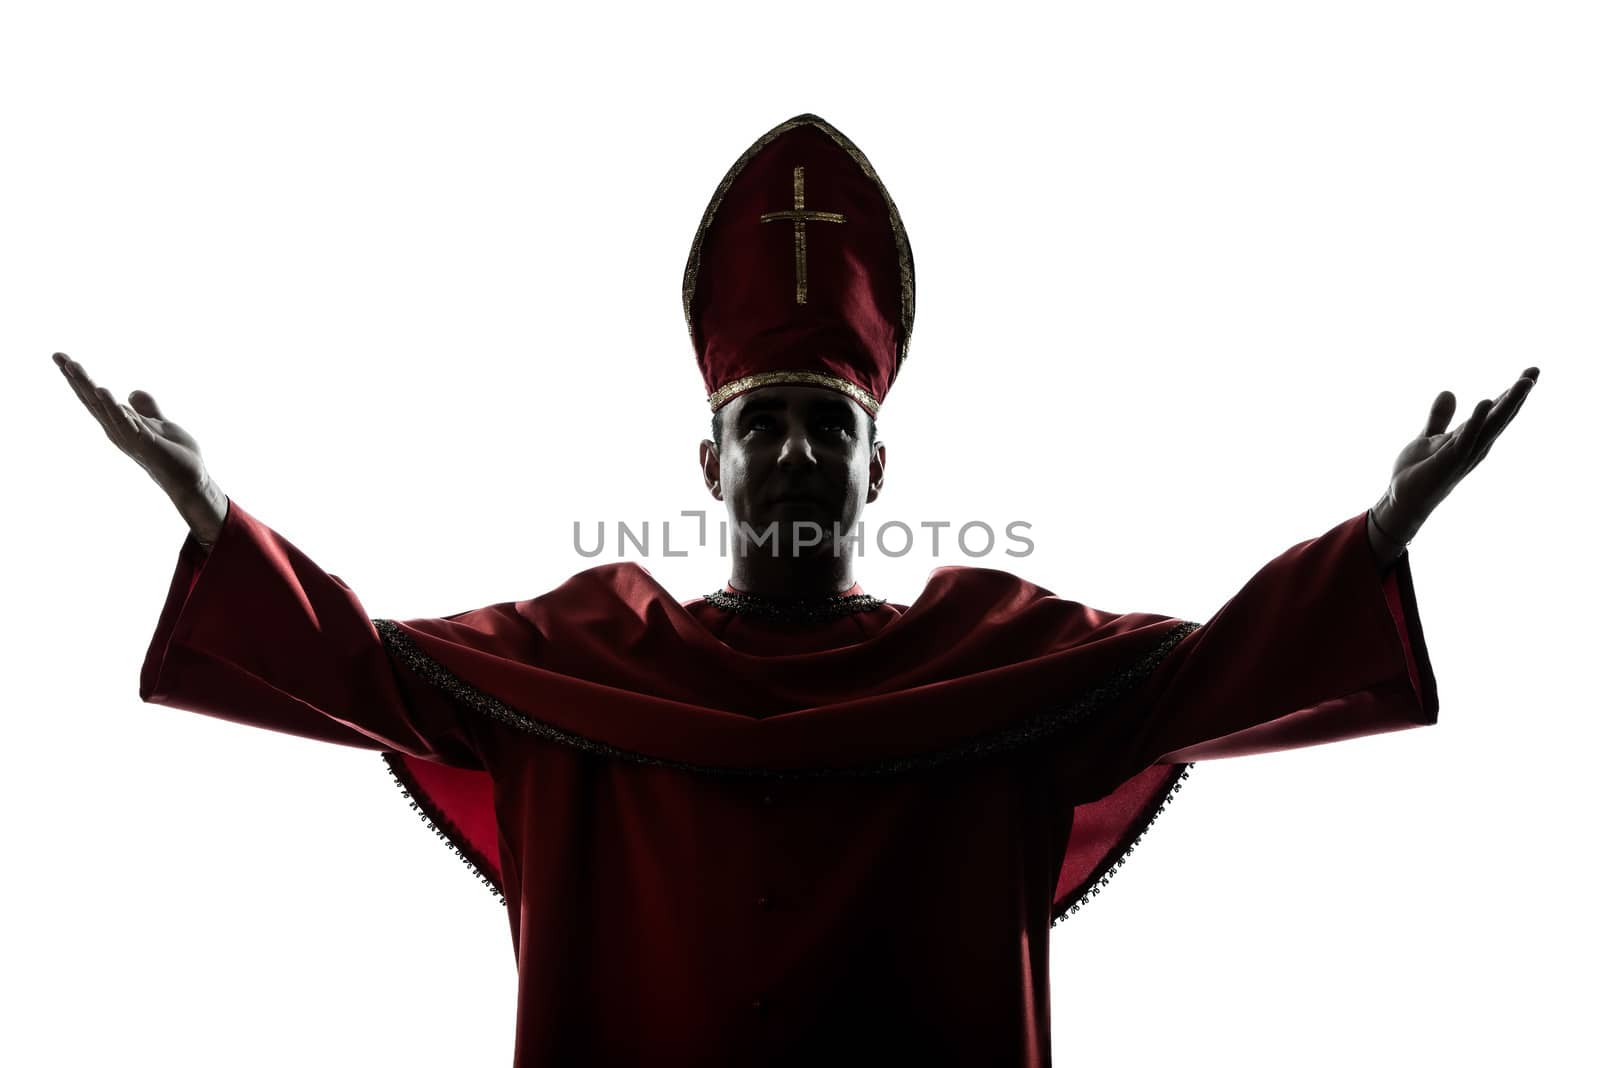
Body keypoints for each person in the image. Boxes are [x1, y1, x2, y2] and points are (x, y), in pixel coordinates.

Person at [53, 113, 1539, 1067]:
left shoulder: (990, 663)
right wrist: (212, 511)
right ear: (707, 461)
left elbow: (1213, 670)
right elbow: (365, 667)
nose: (797, 455)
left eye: (832, 428)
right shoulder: (590, 659)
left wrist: (1381, 531)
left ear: (878, 473)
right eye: (763, 426)